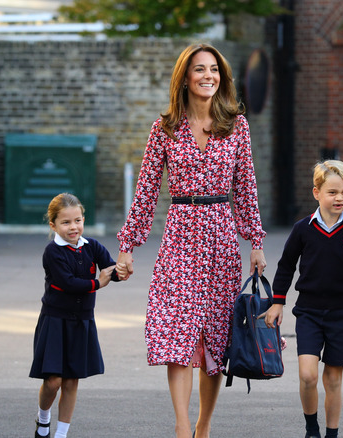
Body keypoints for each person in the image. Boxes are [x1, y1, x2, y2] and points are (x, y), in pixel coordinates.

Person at [114, 43, 267, 438]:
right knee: (177, 330)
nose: (208, 76)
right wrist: (128, 246)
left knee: (216, 338)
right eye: (199, 70)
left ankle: (203, 426)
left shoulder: (237, 125)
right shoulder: (164, 128)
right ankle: (182, 426)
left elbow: (246, 188)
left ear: (222, 76)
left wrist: (256, 242)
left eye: (214, 69)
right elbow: (146, 192)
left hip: (220, 236)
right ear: (185, 77)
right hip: (180, 234)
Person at [263, 160, 343, 438]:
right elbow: (286, 266)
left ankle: (331, 434)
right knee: (308, 375)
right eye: (332, 192)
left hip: (342, 314)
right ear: (317, 193)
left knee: (333, 380)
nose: (339, 198)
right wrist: (277, 302)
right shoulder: (303, 228)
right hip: (309, 313)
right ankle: (312, 429)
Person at [30, 193, 119, 438]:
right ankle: (43, 417)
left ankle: (61, 434)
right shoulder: (53, 252)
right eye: (66, 222)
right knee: (53, 381)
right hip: (55, 320)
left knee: (71, 381)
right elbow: (68, 283)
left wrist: (121, 269)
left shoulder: (92, 246)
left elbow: (109, 267)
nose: (73, 227)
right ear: (54, 225)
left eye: (78, 220)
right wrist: (97, 283)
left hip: (82, 321)